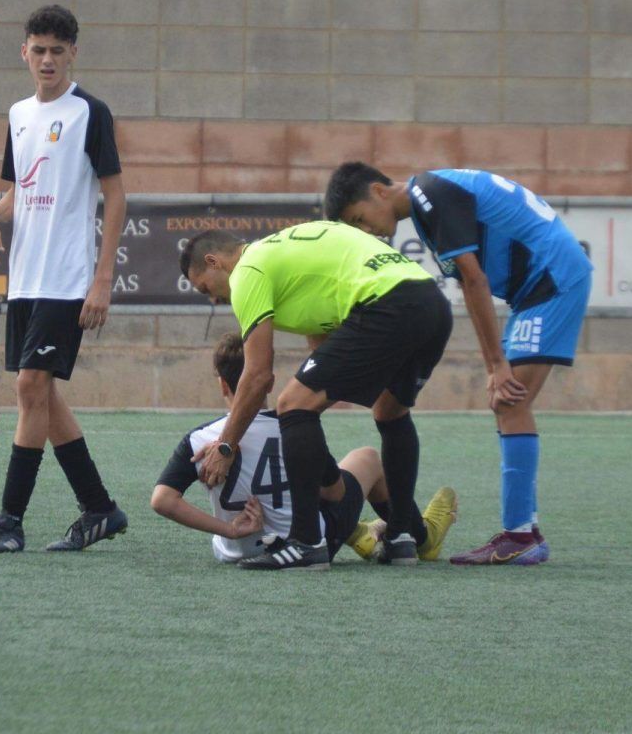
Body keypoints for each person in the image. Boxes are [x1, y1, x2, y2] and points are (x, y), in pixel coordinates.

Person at [327, 163, 591, 567]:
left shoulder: (430, 196)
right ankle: (522, 533)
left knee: (510, 400)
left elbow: (474, 280)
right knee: (509, 404)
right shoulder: (430, 198)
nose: (370, 231)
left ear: (379, 191)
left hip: (552, 279)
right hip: (543, 283)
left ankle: (521, 536)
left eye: (360, 219)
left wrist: (496, 364)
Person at [179, 219, 452, 571]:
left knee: (291, 404)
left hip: (387, 304)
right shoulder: (283, 258)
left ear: (215, 262)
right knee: (390, 412)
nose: (214, 299)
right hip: (430, 302)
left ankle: (306, 542)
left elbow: (259, 374)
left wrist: (227, 444)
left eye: (206, 289)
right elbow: (323, 349)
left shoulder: (247, 270)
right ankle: (401, 537)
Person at [0, 4, 132, 553]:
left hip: (67, 278)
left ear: (73, 55)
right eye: (38, 50)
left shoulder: (91, 112)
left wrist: (102, 278)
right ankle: (100, 509)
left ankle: (9, 522)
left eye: (57, 52)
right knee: (43, 394)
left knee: (30, 386)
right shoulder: (18, 114)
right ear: (24, 52)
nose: (47, 60)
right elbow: (16, 194)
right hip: (25, 280)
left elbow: (115, 198)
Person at [149, 334, 457, 564]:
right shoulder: (296, 427)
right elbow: (335, 494)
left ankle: (363, 533)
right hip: (308, 542)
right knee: (367, 459)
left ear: (222, 386)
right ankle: (420, 535)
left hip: (233, 551)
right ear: (268, 383)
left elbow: (162, 501)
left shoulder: (201, 439)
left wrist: (229, 530)